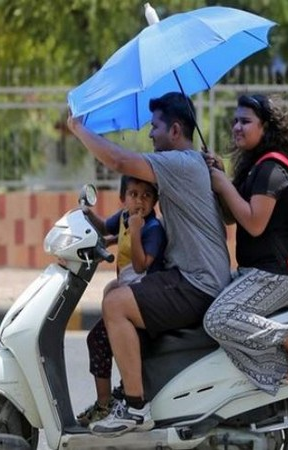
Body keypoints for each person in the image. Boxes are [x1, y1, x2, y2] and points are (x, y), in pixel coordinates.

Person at [67, 92, 231, 436]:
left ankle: (135, 407)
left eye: (154, 126)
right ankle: (132, 392)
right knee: (117, 289)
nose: (150, 134)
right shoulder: (192, 162)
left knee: (116, 304)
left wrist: (78, 128)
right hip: (192, 278)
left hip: (196, 283)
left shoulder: (180, 163)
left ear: (174, 129)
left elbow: (120, 161)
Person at [203, 94, 288, 396]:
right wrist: (222, 178)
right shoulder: (254, 167)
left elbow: (254, 222)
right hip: (253, 273)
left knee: (218, 320)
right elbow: (232, 217)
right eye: (235, 120)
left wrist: (222, 184)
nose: (236, 127)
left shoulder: (272, 170)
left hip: (273, 276)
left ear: (267, 127)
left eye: (245, 121)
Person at [76, 175, 166, 426]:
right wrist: (86, 212)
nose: (139, 200)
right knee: (109, 291)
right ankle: (115, 394)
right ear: (123, 198)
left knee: (97, 339)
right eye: (133, 194)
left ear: (155, 201)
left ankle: (105, 405)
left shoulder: (152, 229)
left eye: (146, 195)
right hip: (129, 294)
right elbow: (106, 226)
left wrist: (135, 233)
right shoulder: (125, 217)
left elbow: (140, 266)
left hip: (144, 300)